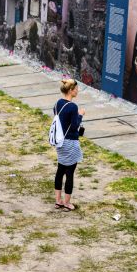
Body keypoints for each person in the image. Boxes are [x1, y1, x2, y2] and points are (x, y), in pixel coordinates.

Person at [53, 79, 85, 211]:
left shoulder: (58, 103)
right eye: (76, 89)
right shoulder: (73, 107)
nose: (77, 91)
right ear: (71, 91)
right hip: (70, 142)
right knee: (70, 172)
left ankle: (58, 201)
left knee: (60, 170)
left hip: (60, 142)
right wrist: (80, 115)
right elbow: (74, 126)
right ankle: (67, 203)